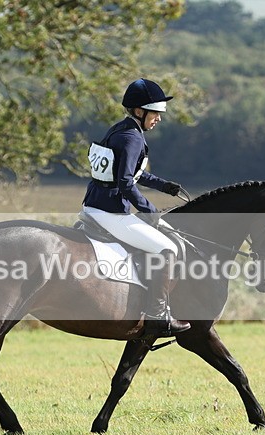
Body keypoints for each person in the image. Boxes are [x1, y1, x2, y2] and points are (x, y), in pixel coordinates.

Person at [81, 78, 190, 337]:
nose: (159, 119)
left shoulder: (121, 130)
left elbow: (130, 172)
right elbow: (126, 181)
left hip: (93, 205)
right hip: (111, 213)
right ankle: (157, 314)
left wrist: (165, 186)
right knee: (168, 248)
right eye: (156, 113)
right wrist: (149, 210)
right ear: (139, 111)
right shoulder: (133, 138)